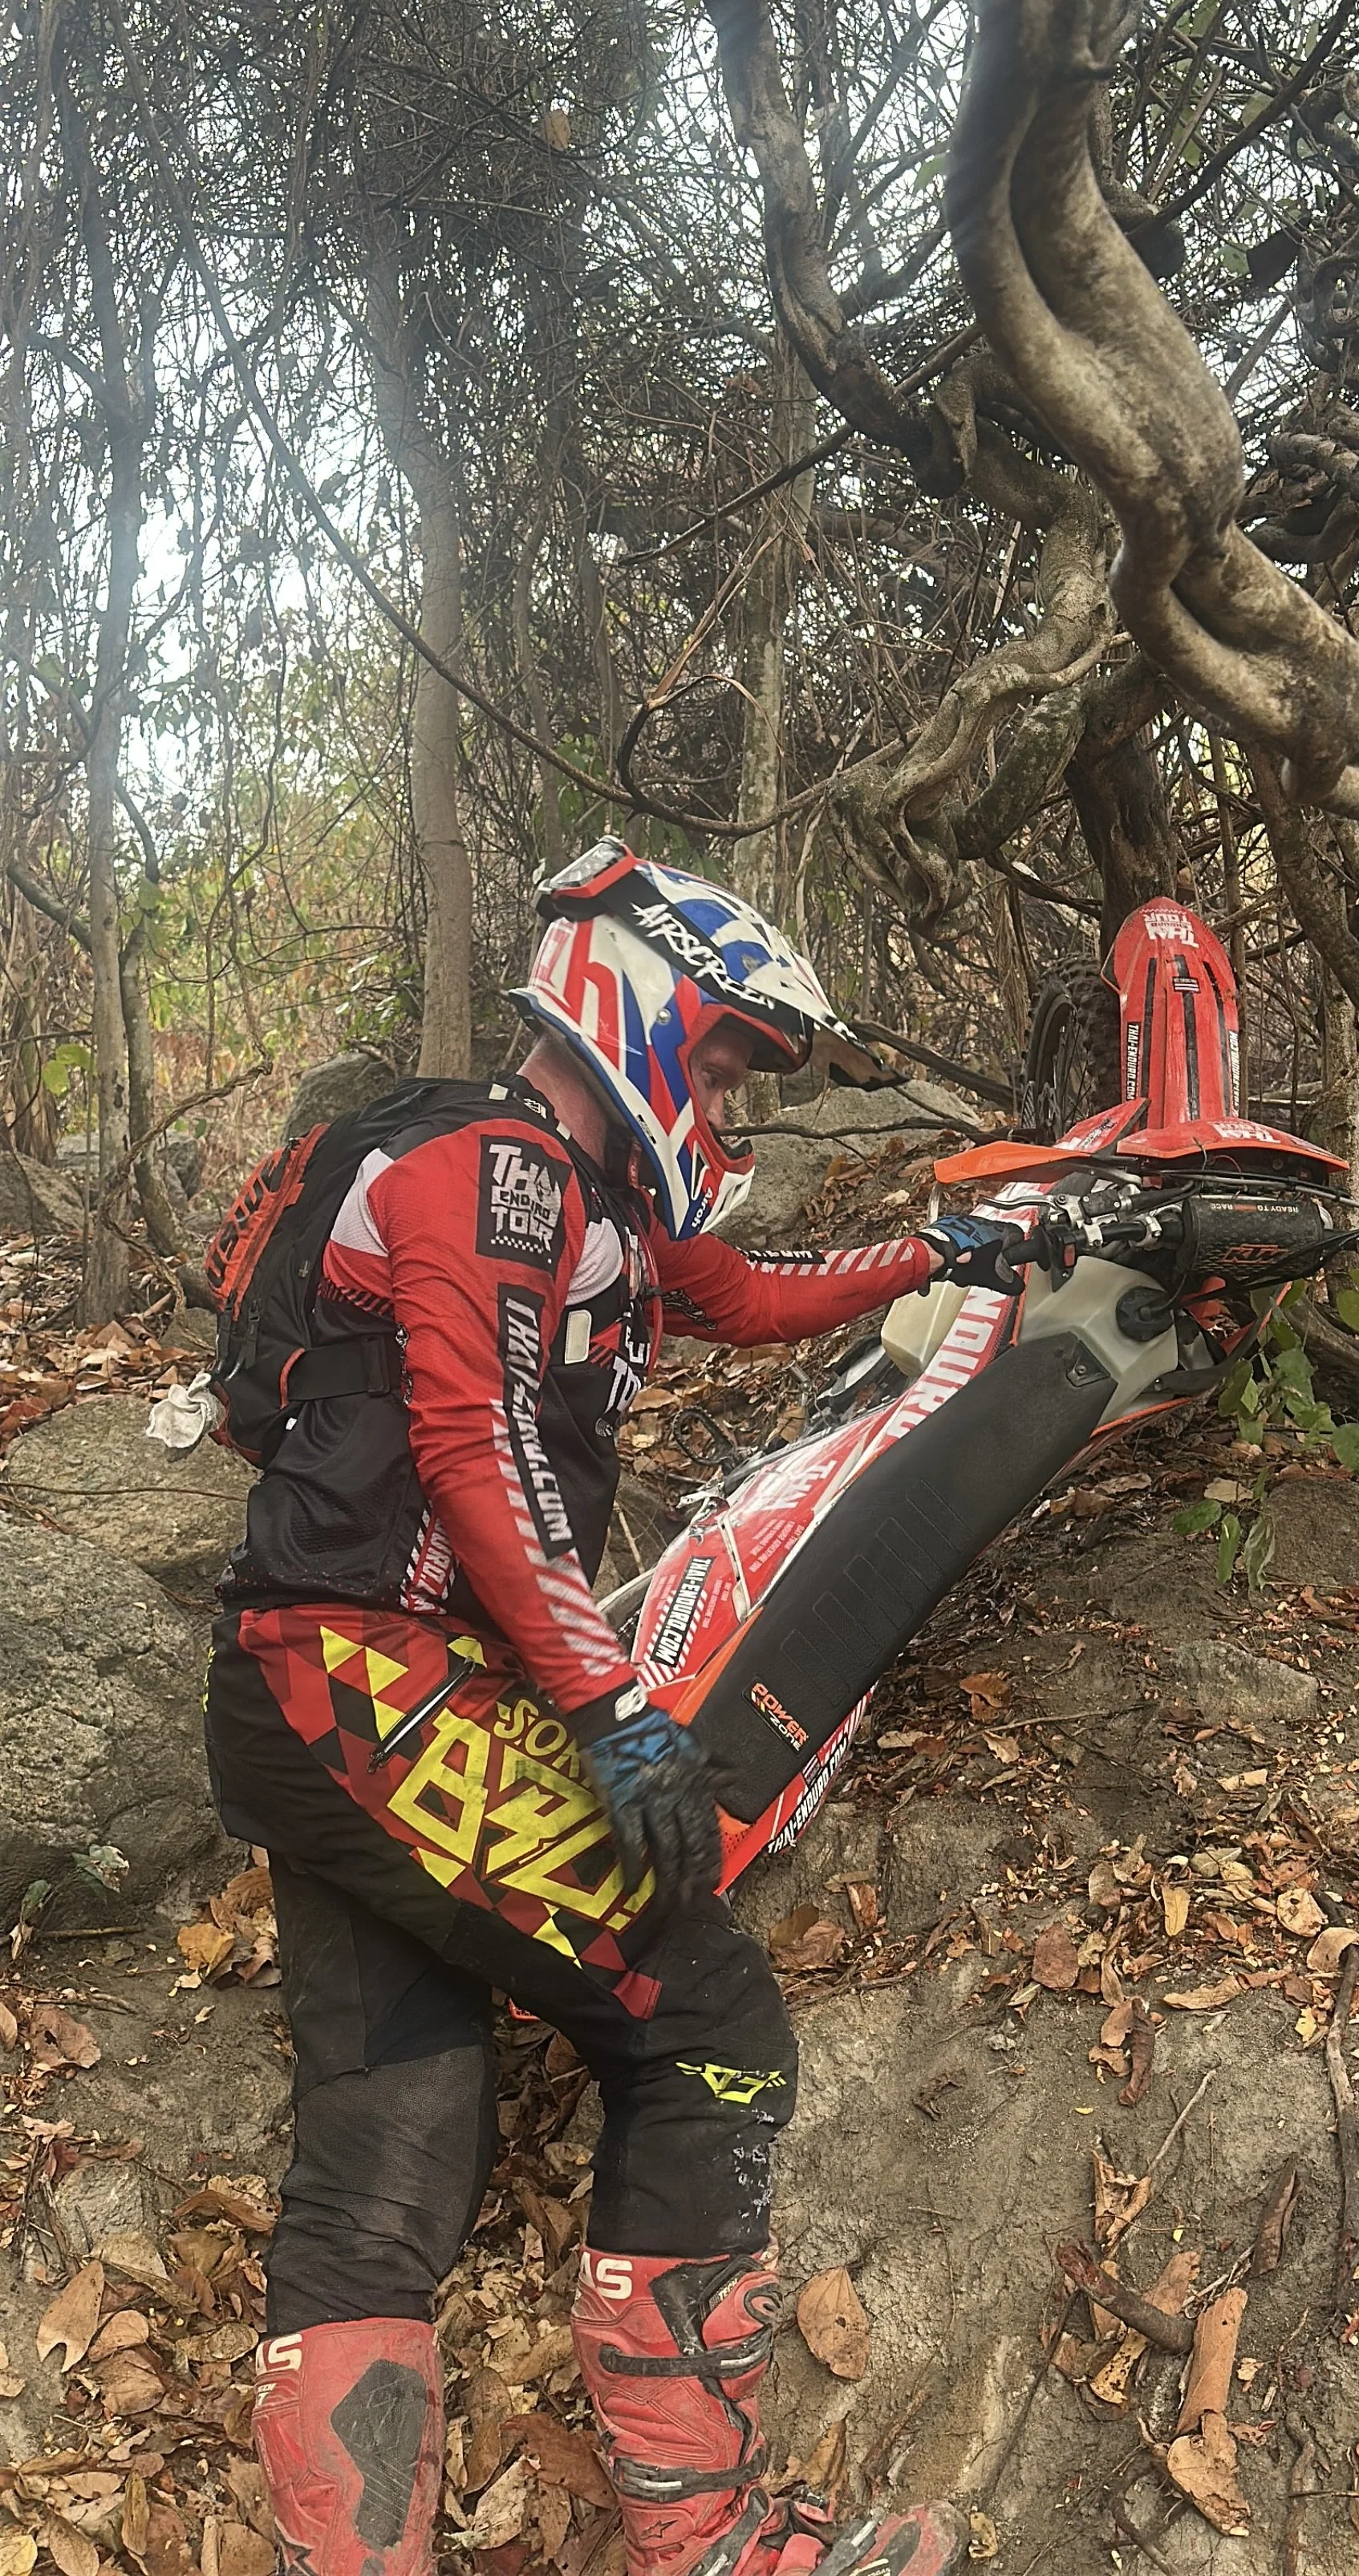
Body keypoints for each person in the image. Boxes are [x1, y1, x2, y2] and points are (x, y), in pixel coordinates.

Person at [205, 840, 1020, 2576]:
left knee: (394, 2135)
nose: (727, 1096)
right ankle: (714, 2539)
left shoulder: (602, 1204)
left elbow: (748, 1297)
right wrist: (610, 1703)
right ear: (639, 1003)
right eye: (724, 1055)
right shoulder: (488, 1169)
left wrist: (935, 1254)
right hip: (368, 1677)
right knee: (711, 2022)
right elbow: (470, 1436)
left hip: (312, 1692)